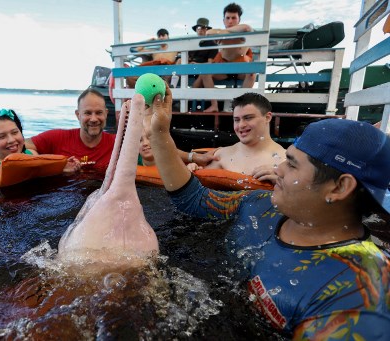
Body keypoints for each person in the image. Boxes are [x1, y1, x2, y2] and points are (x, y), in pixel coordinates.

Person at [147, 84, 390, 339]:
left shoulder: (360, 297)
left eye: (292, 164)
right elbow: (193, 199)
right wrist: (160, 133)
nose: (279, 170)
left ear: (339, 187)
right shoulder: (258, 204)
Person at [0, 88, 214, 185]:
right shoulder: (56, 137)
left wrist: (192, 156)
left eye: (98, 113)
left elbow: (154, 149)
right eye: (87, 113)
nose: (93, 118)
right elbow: (18, 148)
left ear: (106, 115)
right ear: (77, 114)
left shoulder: (118, 143)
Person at [187, 92, 285, 183]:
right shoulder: (222, 156)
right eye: (237, 120)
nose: (241, 125)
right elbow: (197, 191)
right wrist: (192, 171)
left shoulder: (285, 160)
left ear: (267, 117)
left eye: (248, 118)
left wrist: (284, 184)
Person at [0, 108, 79, 187]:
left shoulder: (31, 154)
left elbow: (43, 172)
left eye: (15, 132)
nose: (11, 140)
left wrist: (61, 168)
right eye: (1, 136)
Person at [194, 3, 256, 112]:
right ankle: (214, 105)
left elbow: (247, 27)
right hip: (224, 69)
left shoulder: (244, 33)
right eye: (227, 18)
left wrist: (223, 32)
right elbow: (208, 32)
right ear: (223, 20)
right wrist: (223, 32)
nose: (230, 21)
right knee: (205, 73)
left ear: (239, 20)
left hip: (240, 68)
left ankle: (242, 105)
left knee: (252, 73)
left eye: (233, 18)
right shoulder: (220, 33)